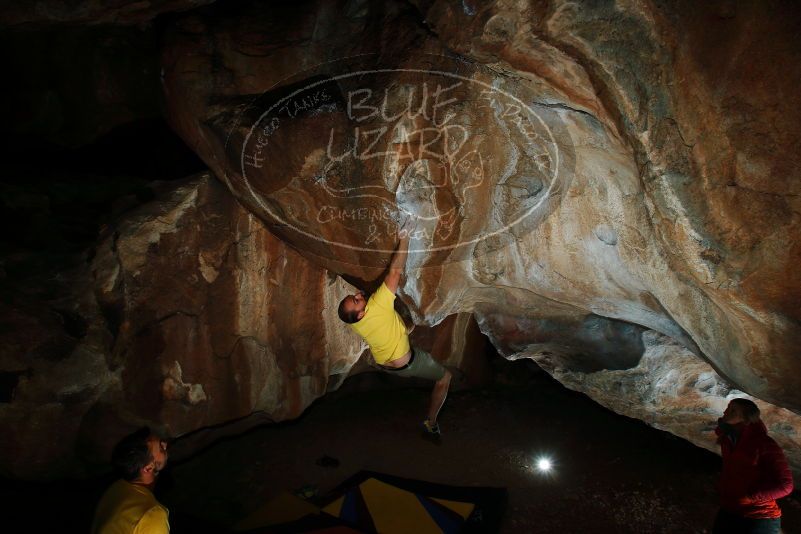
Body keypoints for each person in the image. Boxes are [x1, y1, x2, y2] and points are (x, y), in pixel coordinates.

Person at [337, 225, 452, 442]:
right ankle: (431, 423)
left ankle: (406, 329)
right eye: (355, 300)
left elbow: (365, 307)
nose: (357, 295)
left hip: (385, 363)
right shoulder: (379, 304)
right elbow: (395, 271)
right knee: (445, 378)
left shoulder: (355, 322)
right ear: (360, 313)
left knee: (401, 324)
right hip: (407, 364)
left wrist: (362, 297)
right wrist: (404, 238)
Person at [713, 398, 794, 534]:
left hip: (758, 517)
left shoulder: (764, 444)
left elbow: (786, 486)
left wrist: (751, 496)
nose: (725, 411)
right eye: (728, 407)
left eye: (733, 410)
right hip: (729, 510)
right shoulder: (727, 440)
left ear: (746, 419)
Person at [92, 427, 170, 534]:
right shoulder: (152, 516)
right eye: (161, 448)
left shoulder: (117, 488)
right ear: (148, 468)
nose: (165, 445)